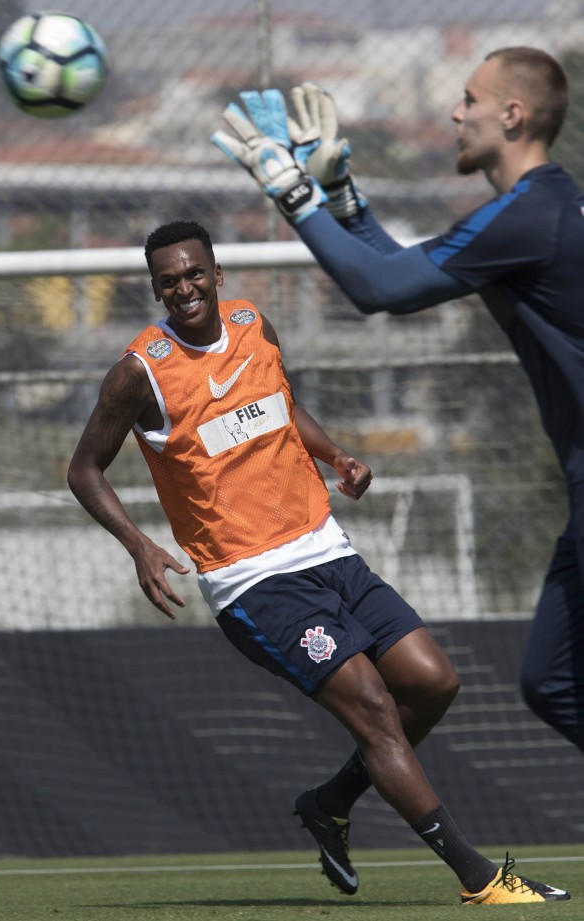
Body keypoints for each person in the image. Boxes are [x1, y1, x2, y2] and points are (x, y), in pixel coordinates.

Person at [68, 219, 569, 905]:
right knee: (374, 710)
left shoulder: (253, 323)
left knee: (433, 682)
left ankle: (330, 802)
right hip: (253, 580)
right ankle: (481, 878)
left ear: (216, 273)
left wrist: (336, 456)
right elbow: (85, 469)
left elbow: (282, 408)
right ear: (155, 288)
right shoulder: (139, 372)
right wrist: (139, 544)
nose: (183, 287)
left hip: (326, 548)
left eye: (193, 273)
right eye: (168, 280)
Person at [212, 45, 584, 785]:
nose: (456, 112)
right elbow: (402, 268)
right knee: (551, 681)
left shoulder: (530, 215)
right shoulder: (536, 209)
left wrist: (293, 193)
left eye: (471, 100)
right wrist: (343, 196)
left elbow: (376, 289)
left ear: (512, 115)